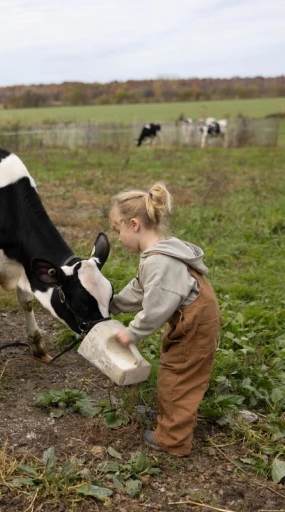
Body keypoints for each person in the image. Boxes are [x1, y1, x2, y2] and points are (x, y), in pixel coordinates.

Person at [108, 182, 220, 457]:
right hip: (194, 318)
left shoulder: (159, 261)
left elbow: (156, 307)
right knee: (176, 373)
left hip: (195, 322)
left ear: (134, 224)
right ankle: (170, 417)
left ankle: (173, 439)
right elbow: (139, 289)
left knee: (178, 375)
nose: (119, 239)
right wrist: (113, 304)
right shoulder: (157, 254)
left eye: (118, 231)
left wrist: (132, 332)